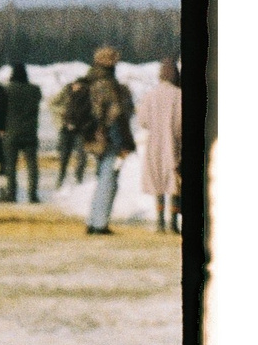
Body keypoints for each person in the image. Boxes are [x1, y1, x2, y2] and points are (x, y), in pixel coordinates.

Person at [77, 46, 136, 236]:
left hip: (91, 137)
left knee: (103, 177)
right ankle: (99, 223)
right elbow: (116, 116)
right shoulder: (108, 85)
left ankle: (93, 220)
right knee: (108, 179)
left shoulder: (88, 80)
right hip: (108, 138)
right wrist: (126, 143)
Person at [139, 57, 184, 233]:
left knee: (157, 181)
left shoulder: (150, 95)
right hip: (173, 143)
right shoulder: (179, 95)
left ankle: (159, 222)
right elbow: (181, 123)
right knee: (174, 182)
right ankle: (173, 222)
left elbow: (143, 121)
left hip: (154, 144)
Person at [0, 63, 43, 204]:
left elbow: (1, 111)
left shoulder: (7, 90)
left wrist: (0, 128)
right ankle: (33, 194)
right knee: (32, 165)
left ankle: (11, 194)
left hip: (11, 131)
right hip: (30, 132)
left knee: (11, 165)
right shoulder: (35, 90)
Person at [51, 74, 90, 189]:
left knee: (81, 156)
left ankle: (78, 179)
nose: (77, 87)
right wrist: (63, 112)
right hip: (66, 127)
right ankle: (61, 178)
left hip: (81, 129)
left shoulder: (88, 95)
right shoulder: (66, 91)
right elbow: (52, 103)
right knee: (64, 155)